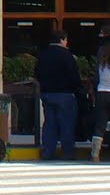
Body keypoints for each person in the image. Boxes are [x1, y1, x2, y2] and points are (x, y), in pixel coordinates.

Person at [35, 30, 82, 160]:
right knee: (66, 124)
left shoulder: (43, 55)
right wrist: (77, 89)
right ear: (61, 40)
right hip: (65, 94)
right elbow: (74, 76)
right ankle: (67, 152)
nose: (67, 43)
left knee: (50, 123)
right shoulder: (66, 55)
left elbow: (37, 72)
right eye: (66, 40)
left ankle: (48, 152)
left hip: (47, 93)